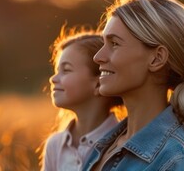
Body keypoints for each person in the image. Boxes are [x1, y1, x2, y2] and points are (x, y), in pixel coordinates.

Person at [81, 0, 184, 170]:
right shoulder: (101, 147)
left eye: (114, 44)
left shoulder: (179, 162)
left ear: (157, 58)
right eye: (103, 43)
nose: (98, 57)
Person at [42, 26, 125, 171]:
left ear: (99, 82)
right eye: (56, 71)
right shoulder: (55, 145)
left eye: (66, 70)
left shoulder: (122, 144)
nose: (53, 79)